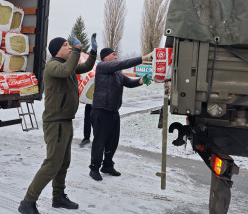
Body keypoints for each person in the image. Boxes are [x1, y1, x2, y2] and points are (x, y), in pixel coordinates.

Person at [18, 30, 98, 214]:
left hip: (65, 122)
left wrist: (93, 53)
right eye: (65, 46)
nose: (69, 48)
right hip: (55, 123)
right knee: (52, 163)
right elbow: (67, 69)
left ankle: (58, 197)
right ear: (56, 51)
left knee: (64, 162)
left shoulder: (65, 65)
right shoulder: (53, 66)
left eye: (70, 46)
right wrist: (77, 49)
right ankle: (27, 202)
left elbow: (84, 67)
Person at [89, 48, 153, 181]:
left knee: (113, 141)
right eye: (113, 54)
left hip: (113, 111)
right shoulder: (102, 67)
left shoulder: (117, 73)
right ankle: (94, 168)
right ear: (105, 57)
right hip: (101, 110)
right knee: (99, 141)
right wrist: (144, 57)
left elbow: (129, 83)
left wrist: (142, 80)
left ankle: (107, 165)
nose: (116, 56)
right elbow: (123, 64)